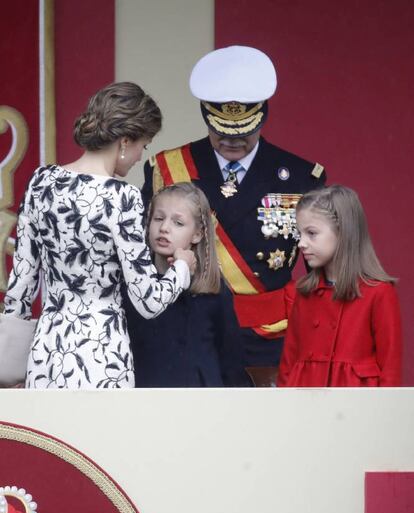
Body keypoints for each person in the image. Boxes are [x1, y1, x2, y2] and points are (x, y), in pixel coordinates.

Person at [141, 45, 327, 383]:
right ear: (205, 115)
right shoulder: (167, 169)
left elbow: (323, 267)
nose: (232, 140)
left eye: (243, 131)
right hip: (192, 327)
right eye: (222, 130)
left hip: (267, 336)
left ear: (263, 116)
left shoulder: (301, 176)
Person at [2, 82, 196, 389]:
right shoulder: (124, 197)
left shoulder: (41, 182)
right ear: (124, 141)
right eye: (141, 147)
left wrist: (9, 361)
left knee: (48, 438)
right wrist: (182, 268)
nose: (137, 158)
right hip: (104, 356)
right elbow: (148, 301)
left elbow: (21, 286)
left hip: (47, 354)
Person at [124, 182, 249, 387]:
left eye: (178, 223)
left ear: (198, 234)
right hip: (143, 400)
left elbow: (230, 358)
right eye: (158, 218)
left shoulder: (213, 291)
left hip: (200, 402)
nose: (164, 228)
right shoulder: (134, 285)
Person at [277, 185, 402, 387]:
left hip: (357, 408)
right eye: (300, 234)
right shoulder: (304, 292)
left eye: (311, 233)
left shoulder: (378, 292)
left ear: (343, 232)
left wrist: (385, 416)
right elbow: (288, 363)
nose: (301, 243)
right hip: (305, 402)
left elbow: (391, 369)